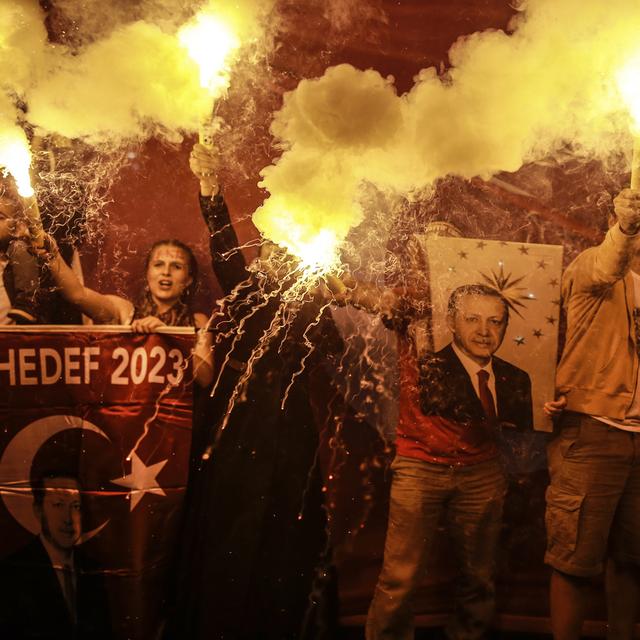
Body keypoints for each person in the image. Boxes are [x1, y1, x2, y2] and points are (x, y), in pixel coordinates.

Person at [170, 144, 344, 640]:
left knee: (285, 520)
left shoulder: (316, 303)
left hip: (290, 429)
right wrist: (210, 188)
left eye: (285, 252)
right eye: (268, 248)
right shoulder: (245, 288)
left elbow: (331, 346)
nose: (274, 257)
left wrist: (329, 290)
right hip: (239, 418)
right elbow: (222, 241)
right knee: (230, 518)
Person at [366, 283, 532, 640]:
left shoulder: (515, 377)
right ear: (453, 321)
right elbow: (367, 295)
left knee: (479, 576)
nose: (484, 331)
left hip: (482, 470)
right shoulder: (412, 318)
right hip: (419, 466)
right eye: (472, 319)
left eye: (494, 322)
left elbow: (520, 422)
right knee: (400, 577)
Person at [543, 188, 640, 640]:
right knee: (575, 560)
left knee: (632, 560)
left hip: (639, 440)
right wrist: (625, 228)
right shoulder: (591, 268)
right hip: (593, 432)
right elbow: (610, 262)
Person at [41, 234, 213, 387]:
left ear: (189, 279)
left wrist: (167, 336)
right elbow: (77, 295)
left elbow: (205, 378)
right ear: (147, 273)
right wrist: (52, 254)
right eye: (158, 264)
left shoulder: (198, 321)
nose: (166, 272)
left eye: (176, 266)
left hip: (173, 418)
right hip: (130, 416)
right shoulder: (123, 312)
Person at [0, 471, 111, 639]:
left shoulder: (93, 569)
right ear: (38, 510)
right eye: (58, 505)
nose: (68, 519)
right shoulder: (13, 570)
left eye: (75, 506)